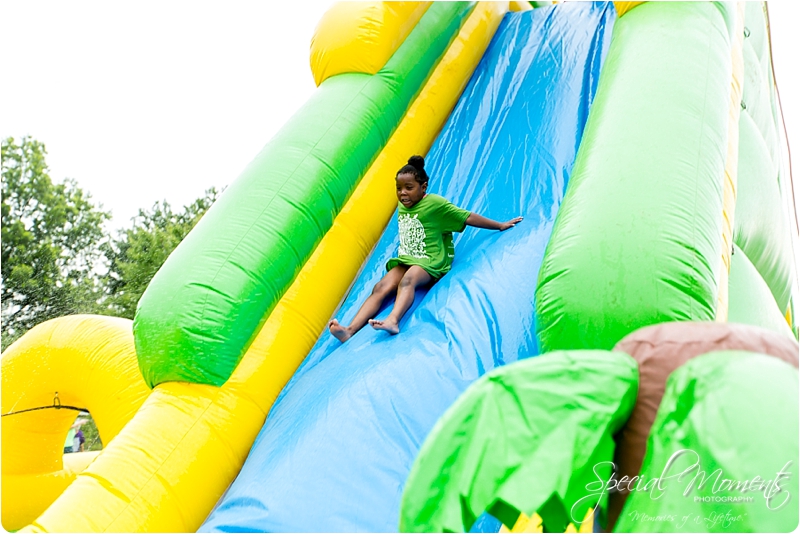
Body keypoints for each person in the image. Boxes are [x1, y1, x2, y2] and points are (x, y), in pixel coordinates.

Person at [328, 155, 522, 341]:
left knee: (408, 279)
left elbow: (466, 216)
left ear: (423, 187)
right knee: (381, 286)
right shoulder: (404, 203)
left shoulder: (435, 204)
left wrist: (499, 225)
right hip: (409, 257)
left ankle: (393, 320)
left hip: (431, 259)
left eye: (409, 188)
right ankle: (350, 330)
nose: (403, 193)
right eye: (399, 188)